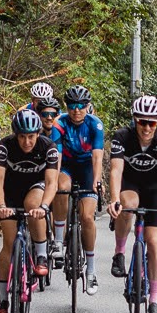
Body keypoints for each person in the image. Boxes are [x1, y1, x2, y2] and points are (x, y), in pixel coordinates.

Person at [107, 95, 157, 313]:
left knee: (154, 241)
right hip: (131, 185)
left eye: (152, 123)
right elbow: (116, 171)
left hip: (156, 189)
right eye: (142, 122)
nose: (147, 128)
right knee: (128, 205)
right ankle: (119, 252)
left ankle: (154, 300)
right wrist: (114, 199)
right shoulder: (122, 137)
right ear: (135, 120)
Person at [0, 108, 59, 313]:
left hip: (36, 187)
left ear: (38, 134)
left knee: (32, 205)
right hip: (11, 192)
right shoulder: (4, 146)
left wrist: (45, 207)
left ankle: (41, 255)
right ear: (15, 135)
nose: (27, 142)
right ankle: (3, 300)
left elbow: (52, 182)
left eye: (31, 136)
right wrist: (1, 205)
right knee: (8, 245)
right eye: (22, 137)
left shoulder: (48, 147)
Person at [54, 84, 105, 288]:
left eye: (81, 106)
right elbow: (56, 156)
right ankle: (58, 241)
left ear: (88, 106)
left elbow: (97, 156)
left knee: (87, 217)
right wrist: (53, 180)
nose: (77, 110)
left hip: (87, 168)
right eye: (72, 106)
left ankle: (91, 271)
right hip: (66, 165)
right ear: (66, 106)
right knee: (61, 186)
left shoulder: (95, 124)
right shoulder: (60, 123)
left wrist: (97, 180)